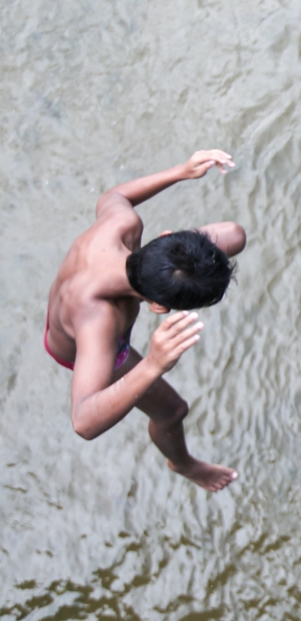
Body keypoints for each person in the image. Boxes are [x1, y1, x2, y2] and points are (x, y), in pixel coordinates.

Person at [44, 150, 246, 492]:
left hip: (88, 277)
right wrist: (153, 364)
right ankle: (183, 464)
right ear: (157, 307)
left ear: (164, 237)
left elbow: (114, 196)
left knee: (234, 234)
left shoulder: (123, 226)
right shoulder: (102, 322)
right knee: (173, 411)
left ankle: (182, 264)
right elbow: (83, 421)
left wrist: (181, 171)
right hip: (78, 344)